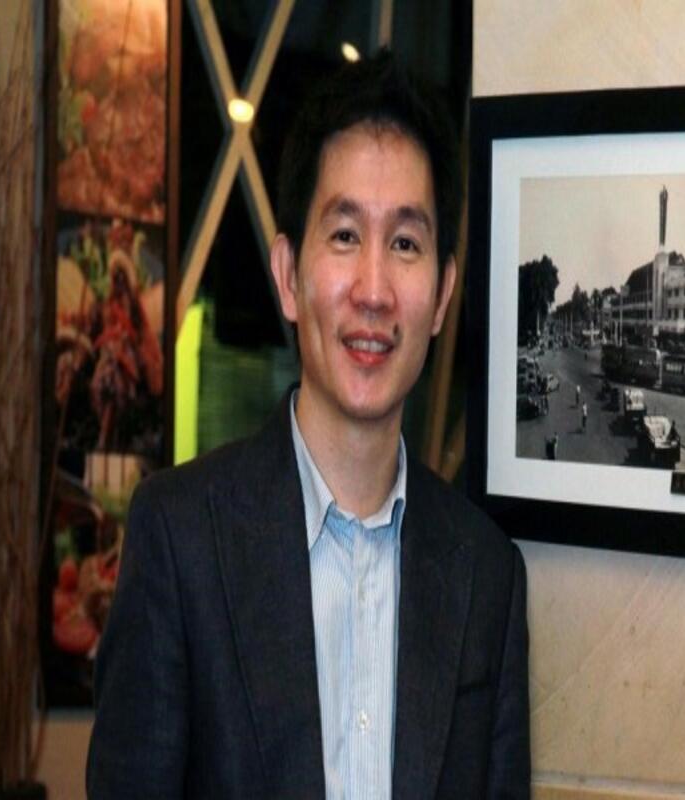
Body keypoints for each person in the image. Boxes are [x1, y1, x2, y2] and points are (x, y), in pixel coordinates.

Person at [86, 51, 530, 799]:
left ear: (443, 294)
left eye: (406, 244)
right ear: (289, 275)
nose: (374, 291)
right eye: (345, 235)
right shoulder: (181, 539)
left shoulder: (487, 576)